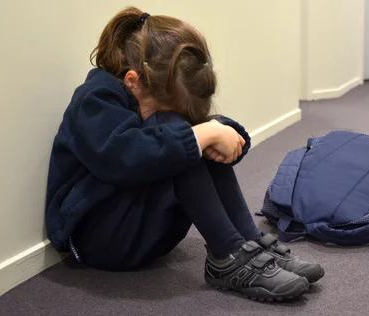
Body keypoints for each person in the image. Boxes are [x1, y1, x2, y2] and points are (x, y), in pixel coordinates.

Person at [45, 6, 324, 301]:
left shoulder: (153, 91)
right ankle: (229, 256)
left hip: (145, 234)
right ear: (131, 81)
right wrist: (202, 135)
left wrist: (218, 131)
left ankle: (248, 241)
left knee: (183, 138)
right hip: (97, 241)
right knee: (178, 143)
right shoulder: (94, 100)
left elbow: (197, 139)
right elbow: (123, 158)